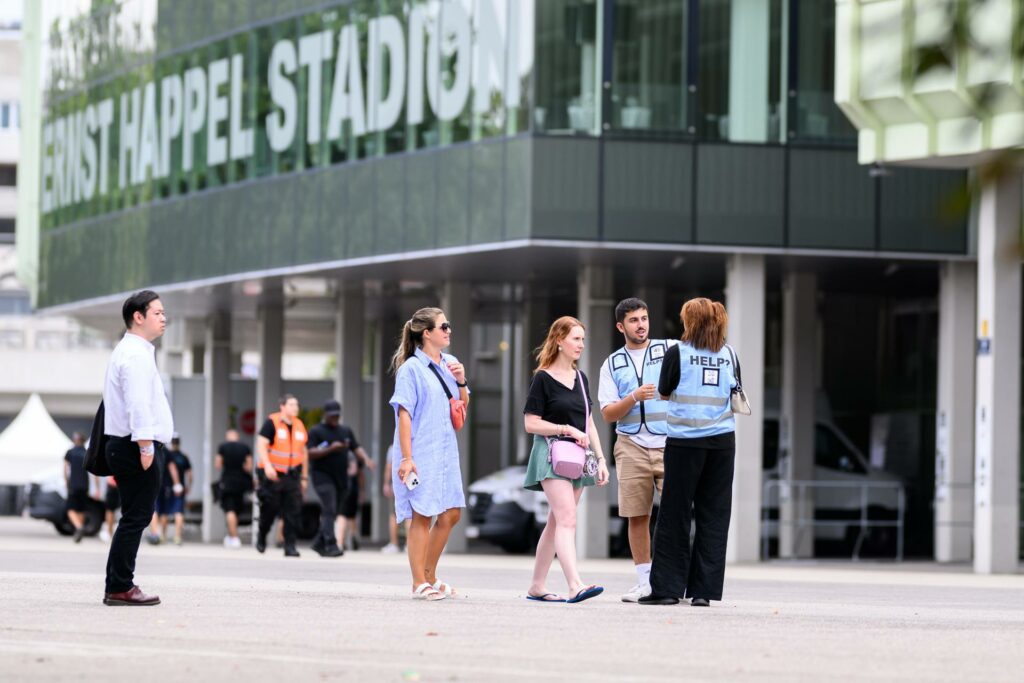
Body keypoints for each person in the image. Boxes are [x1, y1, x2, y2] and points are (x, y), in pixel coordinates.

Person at [639, 298, 739, 607]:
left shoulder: (677, 353)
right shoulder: (729, 354)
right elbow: (735, 391)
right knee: (714, 515)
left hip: (684, 443)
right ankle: (703, 593)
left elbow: (665, 389)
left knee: (674, 514)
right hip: (722, 443)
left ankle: (667, 589)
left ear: (690, 322)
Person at [523, 316, 610, 604]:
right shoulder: (543, 378)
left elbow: (589, 422)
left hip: (578, 458)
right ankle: (575, 584)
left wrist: (600, 458)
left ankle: (537, 585)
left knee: (556, 522)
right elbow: (531, 423)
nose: (581, 345)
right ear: (559, 340)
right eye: (575, 338)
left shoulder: (581, 379)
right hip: (551, 454)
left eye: (583, 339)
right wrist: (565, 429)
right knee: (567, 518)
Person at [389, 307, 468, 601]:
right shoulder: (411, 369)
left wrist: (461, 381)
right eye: (443, 326)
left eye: (449, 325)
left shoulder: (450, 363)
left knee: (452, 513)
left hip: (447, 450)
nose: (448, 330)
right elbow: (404, 414)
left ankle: (430, 575)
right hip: (421, 450)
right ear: (427, 333)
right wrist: (407, 458)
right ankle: (418, 581)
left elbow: (462, 407)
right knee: (422, 514)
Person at [598, 298, 673, 602]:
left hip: (669, 444)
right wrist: (633, 397)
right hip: (631, 445)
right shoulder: (612, 363)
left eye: (644, 318)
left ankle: (673, 578)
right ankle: (645, 580)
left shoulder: (669, 349)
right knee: (636, 516)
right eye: (633, 320)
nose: (641, 325)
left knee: (674, 515)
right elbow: (607, 413)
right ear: (620, 326)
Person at [102, 290, 173, 606]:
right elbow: (137, 403)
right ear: (138, 317)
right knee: (136, 517)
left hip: (130, 446)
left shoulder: (137, 350)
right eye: (157, 312)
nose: (163, 318)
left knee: (134, 516)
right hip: (134, 447)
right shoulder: (134, 354)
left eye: (163, 312)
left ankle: (117, 584)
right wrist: (146, 447)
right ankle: (120, 587)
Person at [307, 400, 375, 557]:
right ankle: (331, 544)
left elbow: (356, 447)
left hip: (341, 478)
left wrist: (366, 459)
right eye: (332, 416)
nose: (335, 418)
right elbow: (309, 452)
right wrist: (331, 449)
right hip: (322, 476)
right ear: (325, 415)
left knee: (334, 510)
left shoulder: (345, 431)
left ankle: (318, 543)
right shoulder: (316, 431)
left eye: (337, 415)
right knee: (329, 508)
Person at [254, 394, 309, 557]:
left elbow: (304, 453)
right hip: (273, 475)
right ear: (282, 407)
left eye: (296, 404)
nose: (295, 408)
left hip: (292, 476)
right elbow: (261, 445)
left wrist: (304, 477)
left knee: (292, 512)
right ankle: (262, 535)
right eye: (292, 405)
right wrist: (268, 466)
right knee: (270, 509)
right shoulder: (272, 422)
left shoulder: (299, 425)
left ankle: (290, 546)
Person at [215, 429, 252, 548]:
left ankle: (234, 537)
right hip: (241, 482)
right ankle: (231, 536)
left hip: (227, 481)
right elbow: (249, 467)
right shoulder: (245, 448)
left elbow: (218, 465)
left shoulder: (222, 447)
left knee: (229, 510)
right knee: (236, 510)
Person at [336, 442, 375, 551]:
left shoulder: (339, 453)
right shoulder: (355, 455)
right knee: (351, 515)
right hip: (353, 488)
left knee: (341, 514)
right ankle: (353, 536)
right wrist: (362, 491)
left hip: (343, 487)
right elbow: (360, 475)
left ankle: (340, 541)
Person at [147, 447, 180, 545]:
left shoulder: (150, 448)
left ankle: (154, 534)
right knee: (164, 511)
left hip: (153, 483)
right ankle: (163, 535)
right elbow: (172, 468)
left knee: (154, 510)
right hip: (165, 485)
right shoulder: (166, 451)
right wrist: (177, 483)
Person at [64, 432, 91, 543]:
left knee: (70, 509)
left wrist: (66, 482)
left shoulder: (70, 453)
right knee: (81, 509)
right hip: (84, 485)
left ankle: (79, 527)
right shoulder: (86, 452)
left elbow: (65, 469)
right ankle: (78, 532)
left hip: (73, 484)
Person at [165, 435, 192, 545]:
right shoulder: (183, 457)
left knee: (164, 512)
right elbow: (190, 475)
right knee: (179, 512)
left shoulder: (167, 455)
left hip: (166, 487)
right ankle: (177, 537)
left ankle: (163, 535)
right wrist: (188, 486)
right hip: (179, 488)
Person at [380, 445, 402, 554]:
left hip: (397, 486)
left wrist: (386, 484)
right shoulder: (416, 443)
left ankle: (394, 544)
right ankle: (410, 545)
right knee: (411, 516)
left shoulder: (393, 447)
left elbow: (389, 467)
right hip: (412, 484)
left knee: (394, 515)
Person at [100, 476, 120, 542]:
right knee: (113, 510)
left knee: (109, 510)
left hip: (113, 484)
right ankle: (110, 532)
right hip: (121, 484)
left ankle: (109, 532)